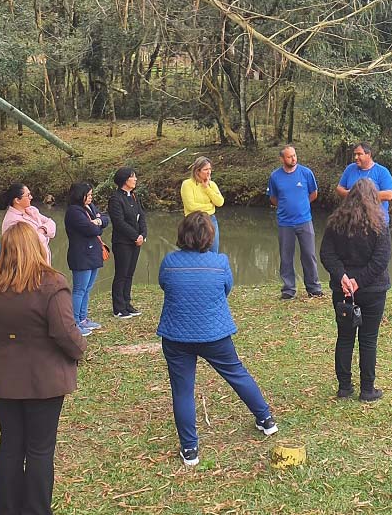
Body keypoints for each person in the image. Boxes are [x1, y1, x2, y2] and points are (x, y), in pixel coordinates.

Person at [0, 222, 86, 515]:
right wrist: (80, 351)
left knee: (11, 444)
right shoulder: (51, 284)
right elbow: (65, 331)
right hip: (45, 377)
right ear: (36, 247)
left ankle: (7, 510)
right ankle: (36, 511)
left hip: (7, 374)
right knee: (39, 447)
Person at [157, 212, 278, 466]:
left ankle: (190, 450)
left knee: (182, 391)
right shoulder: (220, 262)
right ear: (209, 237)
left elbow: (164, 285)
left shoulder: (170, 261)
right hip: (214, 333)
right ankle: (266, 420)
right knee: (237, 373)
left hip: (177, 335)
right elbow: (226, 289)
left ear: (182, 234)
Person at [319, 178, 391, 402]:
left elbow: (327, 254)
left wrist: (344, 278)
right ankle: (367, 390)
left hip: (344, 291)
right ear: (373, 197)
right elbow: (381, 261)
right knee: (368, 339)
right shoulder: (379, 223)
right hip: (372, 290)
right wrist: (357, 281)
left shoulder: (335, 223)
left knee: (345, 337)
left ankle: (344, 387)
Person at [267, 145, 323, 300]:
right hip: (285, 223)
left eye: (294, 155)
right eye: (289, 156)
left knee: (309, 254)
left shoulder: (306, 173)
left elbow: (314, 193)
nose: (293, 158)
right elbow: (273, 197)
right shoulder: (275, 177)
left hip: (304, 221)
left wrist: (302, 206)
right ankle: (289, 289)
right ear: (282, 159)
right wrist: (286, 206)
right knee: (286, 257)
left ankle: (314, 288)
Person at [65, 182, 108, 334]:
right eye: (88, 195)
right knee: (79, 289)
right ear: (79, 195)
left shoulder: (90, 207)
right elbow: (91, 229)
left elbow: (105, 219)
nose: (91, 197)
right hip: (81, 254)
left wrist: (97, 221)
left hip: (93, 253)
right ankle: (74, 323)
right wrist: (97, 224)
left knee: (88, 288)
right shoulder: (74, 212)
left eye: (91, 195)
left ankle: (83, 318)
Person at [108, 167, 147, 319]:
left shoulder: (134, 196)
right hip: (122, 242)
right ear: (125, 180)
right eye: (133, 177)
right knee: (121, 274)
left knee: (129, 274)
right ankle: (118, 307)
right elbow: (119, 222)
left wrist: (143, 234)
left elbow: (141, 216)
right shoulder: (116, 199)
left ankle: (127, 303)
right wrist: (135, 236)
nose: (135, 179)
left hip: (136, 242)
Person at [336, 143, 392, 225]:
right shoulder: (350, 169)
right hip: (352, 221)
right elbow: (339, 188)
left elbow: (388, 195)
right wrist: (350, 194)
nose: (356, 157)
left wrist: (362, 196)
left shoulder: (382, 172)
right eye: (355, 154)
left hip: (377, 223)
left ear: (369, 154)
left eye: (359, 154)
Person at [0, 183, 57, 265]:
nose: (31, 197)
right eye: (28, 195)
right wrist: (42, 234)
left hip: (43, 263)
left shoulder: (32, 211)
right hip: (27, 267)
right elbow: (31, 242)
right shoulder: (12, 221)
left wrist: (42, 230)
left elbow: (52, 224)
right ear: (17, 200)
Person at [180, 156, 223, 253]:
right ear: (197, 171)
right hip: (193, 221)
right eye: (205, 169)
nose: (209, 172)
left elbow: (220, 202)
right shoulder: (187, 184)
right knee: (195, 251)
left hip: (211, 220)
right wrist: (210, 206)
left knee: (213, 250)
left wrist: (206, 188)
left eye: (210, 169)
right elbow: (191, 206)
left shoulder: (212, 185)